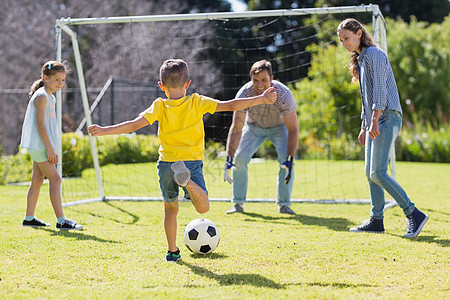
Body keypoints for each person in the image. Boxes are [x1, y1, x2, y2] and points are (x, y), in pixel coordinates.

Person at [88, 59, 277, 261]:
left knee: (170, 209)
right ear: (188, 83)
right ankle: (188, 182)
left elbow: (134, 125)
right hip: (191, 162)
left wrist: (104, 130)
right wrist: (262, 99)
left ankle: (172, 251)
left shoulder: (159, 105)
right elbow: (230, 105)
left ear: (161, 86)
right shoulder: (196, 101)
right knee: (203, 207)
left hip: (167, 164)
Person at [337, 18, 428, 238]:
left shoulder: (375, 55)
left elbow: (378, 90)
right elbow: (365, 97)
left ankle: (413, 213)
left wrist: (375, 119)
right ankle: (376, 220)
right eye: (341, 40)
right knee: (370, 174)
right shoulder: (361, 59)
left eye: (346, 38)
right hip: (374, 120)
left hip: (386, 117)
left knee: (378, 172)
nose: (344, 43)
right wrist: (364, 124)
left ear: (359, 33)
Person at [224, 60, 299, 215]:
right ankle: (237, 204)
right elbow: (237, 127)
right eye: (256, 80)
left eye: (264, 80)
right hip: (253, 127)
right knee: (239, 159)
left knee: (285, 163)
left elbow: (293, 129)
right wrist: (229, 157)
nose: (260, 85)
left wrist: (290, 157)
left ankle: (284, 205)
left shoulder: (283, 94)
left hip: (279, 128)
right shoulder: (244, 94)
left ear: (271, 78)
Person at [20, 61, 83, 230]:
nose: (60, 83)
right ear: (45, 78)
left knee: (38, 179)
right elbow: (40, 125)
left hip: (40, 145)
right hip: (40, 146)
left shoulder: (50, 96)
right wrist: (49, 148)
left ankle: (29, 218)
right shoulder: (41, 96)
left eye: (62, 80)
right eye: (57, 80)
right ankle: (61, 221)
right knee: (55, 179)